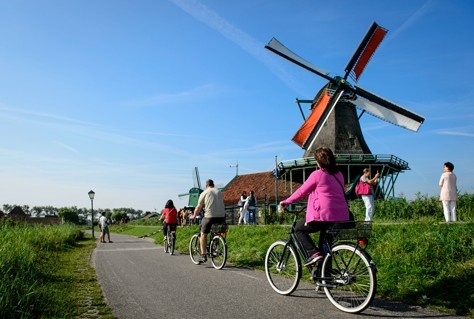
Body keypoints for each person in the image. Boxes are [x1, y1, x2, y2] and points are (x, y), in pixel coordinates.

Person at [280, 147, 349, 266]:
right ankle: (326, 278)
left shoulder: (317, 174)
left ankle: (313, 253)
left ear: (318, 161)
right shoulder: (339, 175)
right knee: (326, 247)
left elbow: (302, 192)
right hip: (341, 216)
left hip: (324, 215)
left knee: (298, 229)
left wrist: (286, 201)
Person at [190, 179, 226, 263]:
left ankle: (203, 255)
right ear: (213, 185)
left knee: (203, 234)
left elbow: (198, 207)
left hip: (210, 217)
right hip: (221, 217)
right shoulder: (219, 192)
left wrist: (194, 216)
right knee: (216, 231)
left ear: (206, 186)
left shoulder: (205, 192)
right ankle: (215, 246)